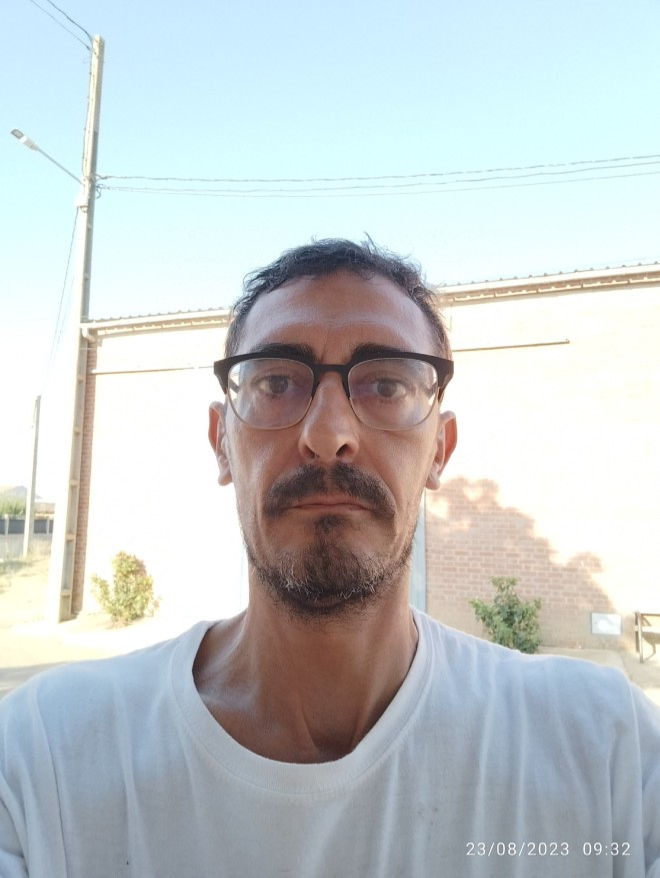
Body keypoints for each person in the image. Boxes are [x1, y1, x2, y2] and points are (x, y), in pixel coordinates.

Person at [0, 239, 658, 877]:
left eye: (386, 385)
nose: (328, 434)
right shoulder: (42, 758)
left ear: (439, 449)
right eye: (277, 381)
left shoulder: (605, 752)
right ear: (221, 442)